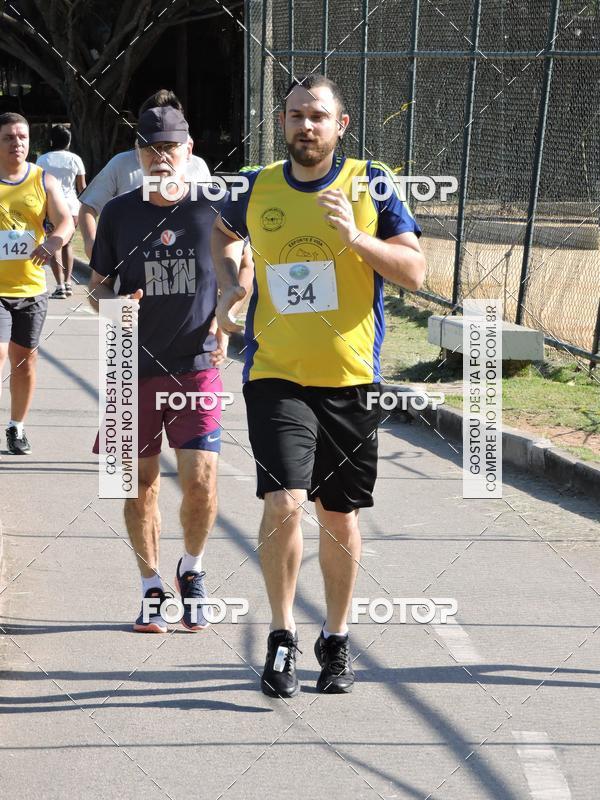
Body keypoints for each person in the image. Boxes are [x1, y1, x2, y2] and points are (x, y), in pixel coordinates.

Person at [211, 75, 426, 697]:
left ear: (341, 125)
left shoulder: (371, 182)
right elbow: (221, 234)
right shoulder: (255, 185)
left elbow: (414, 272)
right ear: (282, 122)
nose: (306, 126)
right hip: (276, 374)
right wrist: (234, 283)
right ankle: (281, 636)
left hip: (350, 380)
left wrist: (355, 237)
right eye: (296, 115)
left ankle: (335, 638)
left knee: (339, 516)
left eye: (318, 116)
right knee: (283, 502)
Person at [88, 106, 249, 633]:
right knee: (138, 485)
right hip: (128, 364)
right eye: (151, 148)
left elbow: (243, 263)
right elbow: (97, 286)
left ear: (189, 150)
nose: (161, 157)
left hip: (196, 364)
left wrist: (228, 313)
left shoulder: (213, 206)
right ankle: (151, 586)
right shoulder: (118, 213)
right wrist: (115, 307)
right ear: (137, 154)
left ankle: (192, 570)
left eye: (170, 147)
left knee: (201, 480)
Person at [0, 112, 74, 455]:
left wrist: (54, 241)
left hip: (31, 289)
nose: (16, 143)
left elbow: (65, 221)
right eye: (8, 137)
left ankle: (17, 427)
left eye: (22, 137)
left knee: (25, 361)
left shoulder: (43, 180)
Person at [79, 89, 211, 259]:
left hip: (186, 262)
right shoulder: (120, 164)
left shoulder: (198, 165)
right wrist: (92, 245)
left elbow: (210, 215)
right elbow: (89, 206)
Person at [36, 124, 86, 298]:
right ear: (69, 141)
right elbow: (82, 187)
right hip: (72, 207)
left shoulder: (43, 160)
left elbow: (39, 186)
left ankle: (60, 287)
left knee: (54, 244)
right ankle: (68, 283)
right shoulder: (76, 159)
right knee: (67, 244)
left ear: (51, 140)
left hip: (51, 208)